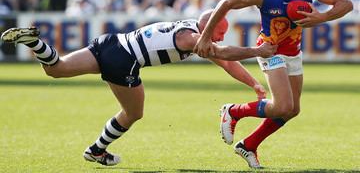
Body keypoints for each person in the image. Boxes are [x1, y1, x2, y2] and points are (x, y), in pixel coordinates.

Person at [0, 9, 277, 166]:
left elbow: (225, 62)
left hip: (111, 42)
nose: (221, 37)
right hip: (125, 60)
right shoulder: (190, 37)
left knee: (55, 69)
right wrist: (257, 50)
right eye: (219, 33)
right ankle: (97, 150)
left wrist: (253, 82)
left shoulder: (190, 30)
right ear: (208, 28)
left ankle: (34, 42)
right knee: (133, 113)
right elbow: (225, 54)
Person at [194, 0, 353, 169]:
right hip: (269, 49)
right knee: (281, 106)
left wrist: (323, 17)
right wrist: (206, 36)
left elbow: (346, 3)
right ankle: (233, 111)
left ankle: (248, 145)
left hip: (293, 52)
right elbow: (226, 2)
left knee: (293, 110)